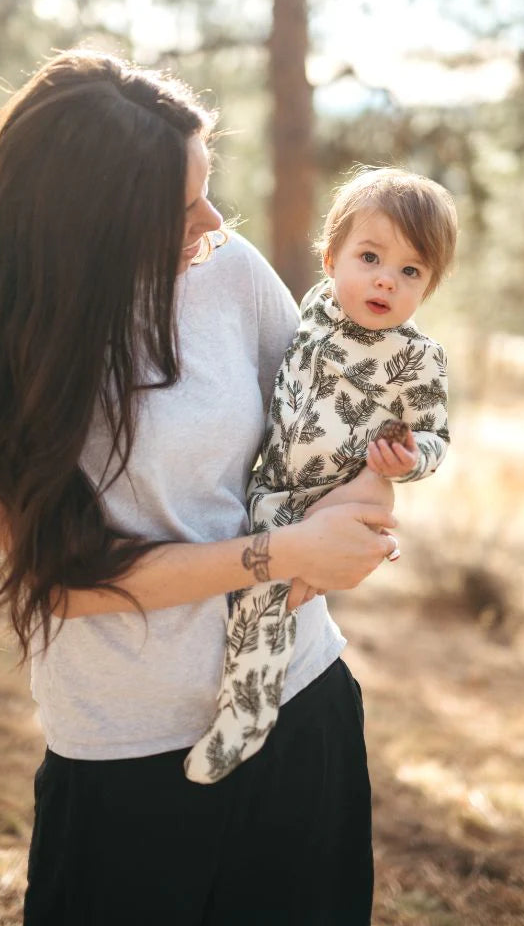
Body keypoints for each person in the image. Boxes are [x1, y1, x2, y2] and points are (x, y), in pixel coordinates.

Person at [0, 49, 399, 926]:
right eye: (181, 208)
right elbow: (56, 582)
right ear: (91, 223)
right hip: (127, 755)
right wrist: (279, 555)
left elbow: (333, 424)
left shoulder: (227, 270)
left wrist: (360, 512)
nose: (214, 221)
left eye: (206, 189)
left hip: (301, 708)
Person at [185, 167, 457, 784]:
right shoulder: (313, 307)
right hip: (269, 483)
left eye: (411, 271)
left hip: (327, 499)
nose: (386, 279)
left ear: (428, 287)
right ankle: (220, 694)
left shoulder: (417, 357)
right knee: (232, 588)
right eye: (370, 258)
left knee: (265, 602)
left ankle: (245, 720)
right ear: (331, 259)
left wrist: (409, 459)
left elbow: (437, 437)